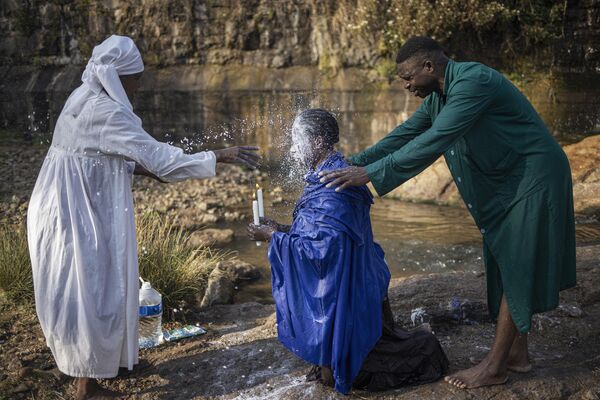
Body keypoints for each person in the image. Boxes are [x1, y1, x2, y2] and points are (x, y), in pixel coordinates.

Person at [319, 37, 577, 389]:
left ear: (429, 67)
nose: (406, 85)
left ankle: (495, 367)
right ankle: (517, 354)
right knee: (506, 262)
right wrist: (352, 162)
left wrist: (371, 175)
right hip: (510, 182)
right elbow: (405, 134)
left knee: (518, 266)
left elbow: (436, 139)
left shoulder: (473, 82)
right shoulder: (440, 96)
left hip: (534, 178)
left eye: (408, 78)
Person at [26, 35, 260, 399]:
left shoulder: (83, 96)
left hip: (66, 205)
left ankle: (109, 362)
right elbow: (161, 159)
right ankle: (85, 385)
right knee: (90, 290)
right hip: (75, 213)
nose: (139, 84)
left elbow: (117, 157)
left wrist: (161, 168)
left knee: (99, 283)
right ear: (119, 77)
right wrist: (219, 155)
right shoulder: (107, 112)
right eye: (136, 77)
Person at [247, 108, 448, 394]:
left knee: (345, 376)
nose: (292, 149)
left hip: (350, 291)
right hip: (356, 281)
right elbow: (319, 233)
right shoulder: (329, 173)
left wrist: (272, 237)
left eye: (297, 140)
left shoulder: (333, 184)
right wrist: (282, 229)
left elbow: (324, 250)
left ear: (317, 142)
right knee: (332, 371)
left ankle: (410, 348)